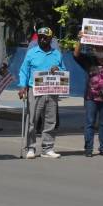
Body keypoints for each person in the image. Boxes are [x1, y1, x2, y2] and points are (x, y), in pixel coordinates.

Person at [17, 26, 67, 159]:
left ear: (51, 39)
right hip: (35, 89)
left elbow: (63, 70)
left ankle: (48, 148)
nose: (42, 40)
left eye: (45, 38)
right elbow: (24, 71)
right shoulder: (31, 53)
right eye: (40, 38)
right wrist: (22, 86)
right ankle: (30, 147)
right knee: (32, 119)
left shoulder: (57, 53)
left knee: (50, 120)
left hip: (51, 90)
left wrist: (58, 69)